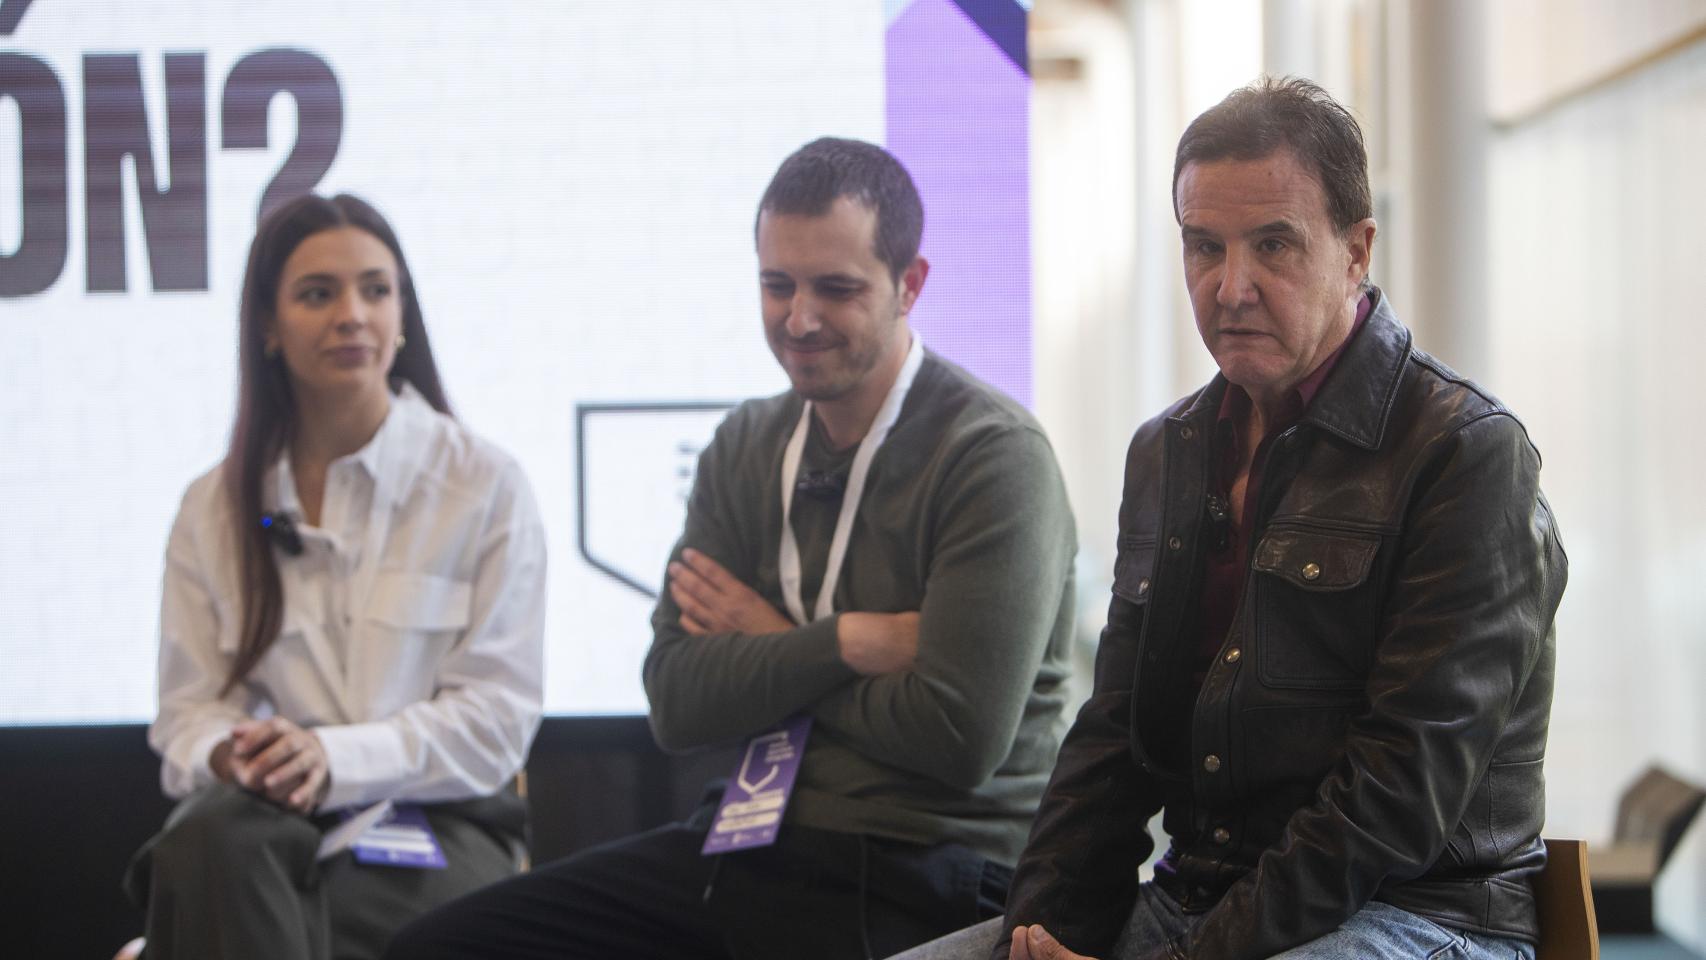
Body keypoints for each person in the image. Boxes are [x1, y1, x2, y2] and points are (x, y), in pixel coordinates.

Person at [895, 77, 1567, 960]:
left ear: (1357, 250)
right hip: (1199, 894)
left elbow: (1398, 792)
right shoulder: (1168, 448)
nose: (1231, 286)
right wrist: (1042, 929)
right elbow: (1114, 738)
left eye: (1274, 245)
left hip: (1415, 913)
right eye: (1203, 247)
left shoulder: (1465, 453)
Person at [386, 137, 1078, 960]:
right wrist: (850, 642)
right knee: (440, 948)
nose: (800, 318)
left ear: (911, 285)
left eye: (837, 289)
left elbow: (954, 739)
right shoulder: (746, 443)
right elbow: (677, 699)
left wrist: (767, 642)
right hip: (750, 840)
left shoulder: (991, 456)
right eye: (776, 284)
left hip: (929, 866)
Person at [125, 193, 547, 960]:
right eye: (318, 294)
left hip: (435, 822)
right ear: (267, 327)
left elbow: (497, 719)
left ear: (403, 313)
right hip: (261, 827)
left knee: (253, 915)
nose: (352, 314)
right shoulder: (212, 508)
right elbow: (186, 715)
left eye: (376, 290)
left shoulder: (484, 484)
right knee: (204, 845)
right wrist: (231, 754)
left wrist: (336, 760)